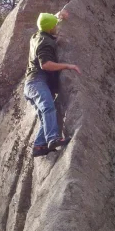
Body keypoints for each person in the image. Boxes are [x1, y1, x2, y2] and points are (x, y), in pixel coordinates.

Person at [23, 9, 82, 157]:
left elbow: (44, 23)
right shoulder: (45, 42)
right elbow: (46, 64)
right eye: (55, 25)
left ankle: (38, 146)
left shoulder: (36, 35)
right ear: (50, 28)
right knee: (48, 108)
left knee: (46, 116)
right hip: (36, 81)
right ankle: (52, 139)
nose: (57, 27)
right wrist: (68, 66)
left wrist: (58, 16)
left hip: (30, 85)